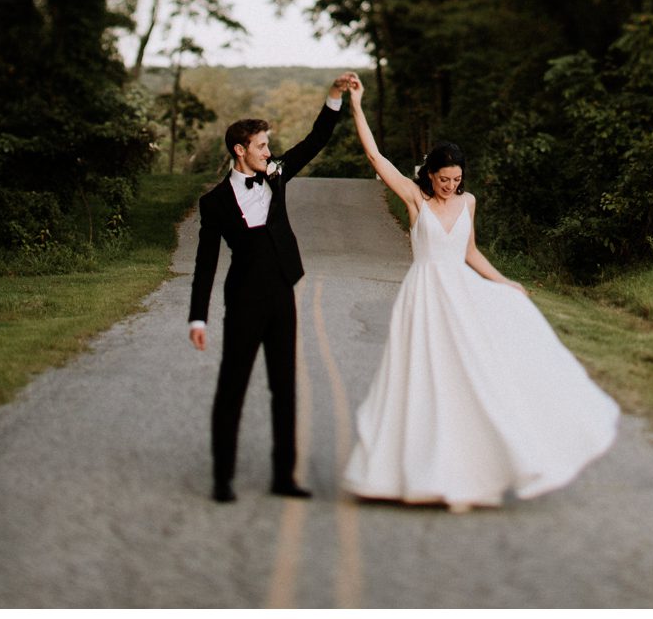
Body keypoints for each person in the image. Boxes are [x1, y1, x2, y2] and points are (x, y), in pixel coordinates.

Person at [338, 75, 618, 511]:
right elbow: (376, 156)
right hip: (425, 296)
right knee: (423, 379)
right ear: (430, 176)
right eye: (445, 179)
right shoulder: (415, 199)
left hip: (461, 295)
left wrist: (503, 281)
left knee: (468, 376)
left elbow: (469, 251)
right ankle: (411, 471)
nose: (452, 186)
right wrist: (357, 105)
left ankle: (470, 471)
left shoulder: (468, 203)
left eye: (457, 178)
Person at [188, 73, 355, 503]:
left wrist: (334, 96)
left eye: (268, 145)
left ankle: (284, 476)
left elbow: (315, 141)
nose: (269, 151)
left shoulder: (277, 173)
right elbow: (206, 263)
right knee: (233, 387)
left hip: (282, 294)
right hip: (243, 300)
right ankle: (222, 477)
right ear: (239, 150)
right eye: (261, 145)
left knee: (284, 386)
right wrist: (198, 317)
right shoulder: (214, 203)